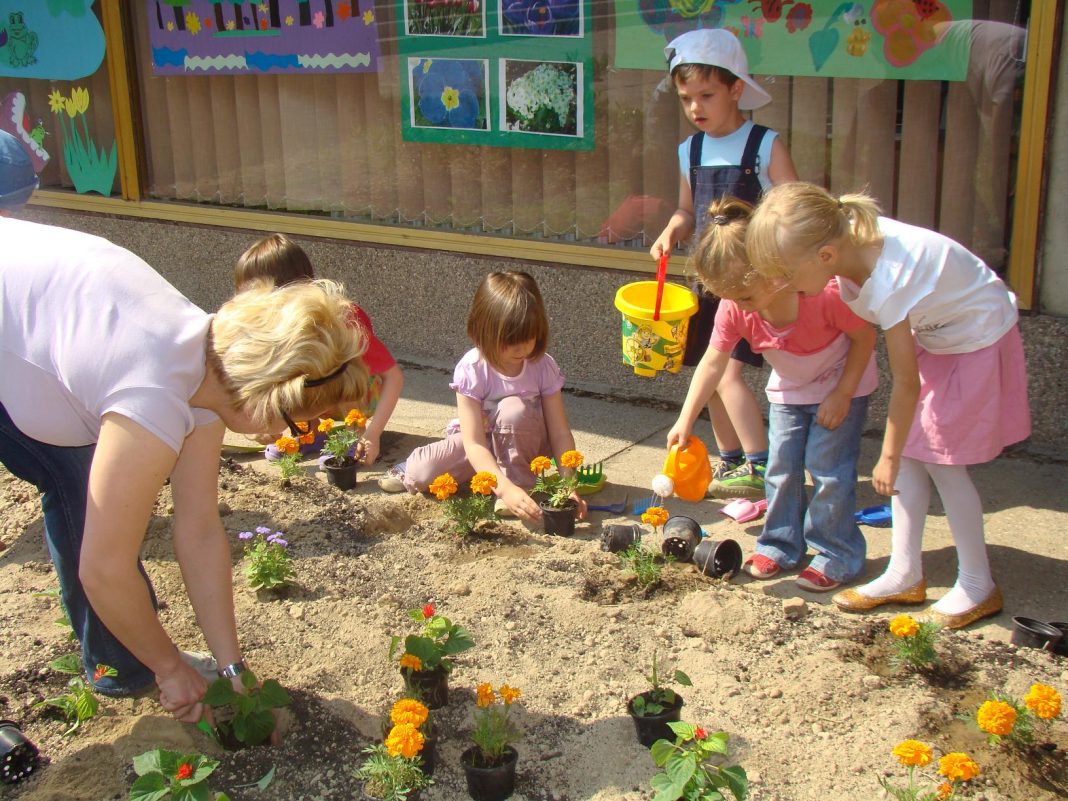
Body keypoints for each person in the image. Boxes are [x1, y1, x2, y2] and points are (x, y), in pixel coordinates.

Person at [0, 197, 367, 723]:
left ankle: (130, 658)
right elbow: (103, 570)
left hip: (30, 327)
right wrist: (171, 669)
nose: (293, 436)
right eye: (296, 423)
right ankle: (130, 665)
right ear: (265, 396)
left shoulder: (210, 363)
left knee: (92, 497)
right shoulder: (151, 398)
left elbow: (196, 527)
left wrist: (230, 665)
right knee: (91, 517)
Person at [747, 182, 1031, 628]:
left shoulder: (890, 280)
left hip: (974, 339)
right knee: (917, 461)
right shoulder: (848, 245)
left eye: (786, 272)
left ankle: (978, 584)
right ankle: (904, 572)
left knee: (940, 461)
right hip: (939, 337)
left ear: (824, 257)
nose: (781, 283)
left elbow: (906, 384)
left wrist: (888, 454)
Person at [667, 197, 877, 592]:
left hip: (840, 388)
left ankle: (837, 553)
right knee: (779, 468)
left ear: (773, 268)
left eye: (744, 296)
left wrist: (844, 393)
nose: (737, 305)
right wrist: (685, 418)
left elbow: (865, 338)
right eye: (727, 297)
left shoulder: (821, 295)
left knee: (828, 469)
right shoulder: (734, 307)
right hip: (790, 391)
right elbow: (713, 363)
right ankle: (780, 544)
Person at [649, 28, 799, 499]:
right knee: (707, 374)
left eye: (707, 95)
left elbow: (795, 208)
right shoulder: (688, 150)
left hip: (753, 283)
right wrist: (672, 230)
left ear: (736, 88)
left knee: (728, 371)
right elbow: (688, 211)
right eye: (686, 97)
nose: (696, 107)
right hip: (711, 281)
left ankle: (761, 462)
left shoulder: (764, 144)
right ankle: (731, 459)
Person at [379, 271, 588, 523]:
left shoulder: (542, 366)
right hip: (481, 441)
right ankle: (410, 469)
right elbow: (474, 443)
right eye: (510, 340)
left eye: (529, 337)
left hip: (524, 442)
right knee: (424, 473)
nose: (521, 348)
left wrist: (567, 486)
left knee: (514, 409)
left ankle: (519, 486)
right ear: (482, 332)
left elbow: (559, 432)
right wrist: (502, 486)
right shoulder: (473, 367)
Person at [234, 233, 405, 466]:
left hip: (363, 392)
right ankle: (308, 432)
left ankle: (353, 435)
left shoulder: (340, 319)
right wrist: (264, 422)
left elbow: (393, 377)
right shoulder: (275, 327)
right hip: (320, 398)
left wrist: (372, 435)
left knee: (337, 366)